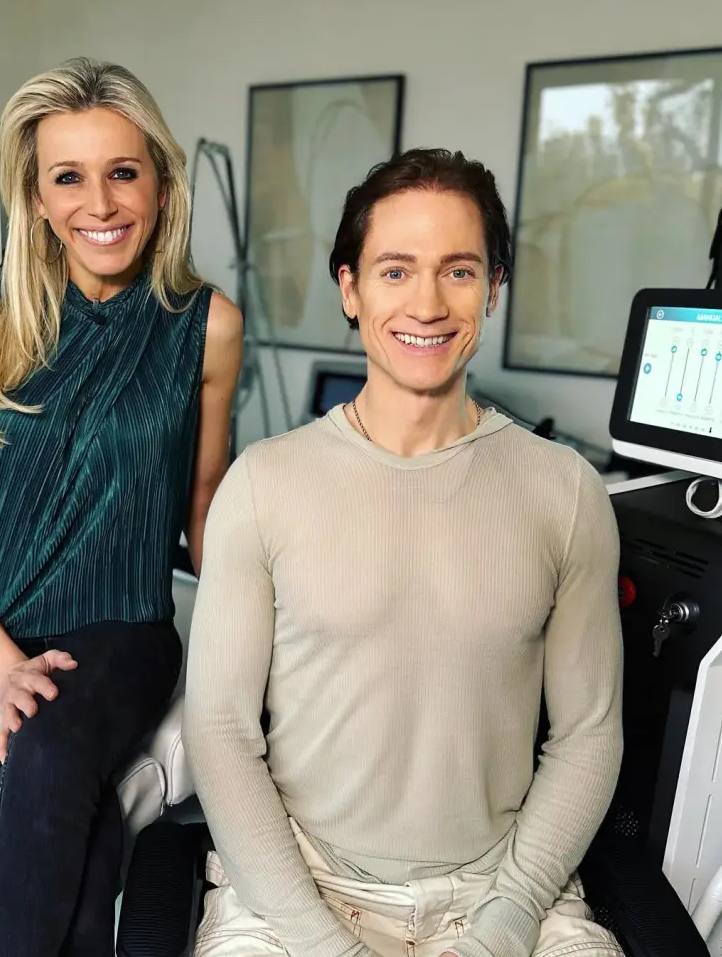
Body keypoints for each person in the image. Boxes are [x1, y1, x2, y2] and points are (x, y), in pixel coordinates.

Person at [183, 148, 624, 957]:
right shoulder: (263, 484)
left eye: (458, 270)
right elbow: (219, 729)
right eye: (395, 270)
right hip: (298, 892)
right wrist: (325, 942)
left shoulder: (565, 492)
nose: (427, 302)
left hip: (504, 891)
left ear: (493, 288)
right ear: (350, 289)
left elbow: (589, 733)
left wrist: (506, 921)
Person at [0, 57, 243, 957]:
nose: (101, 203)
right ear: (37, 198)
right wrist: (2, 663)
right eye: (69, 177)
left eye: (123, 172)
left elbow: (208, 505)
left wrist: (263, 647)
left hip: (120, 630)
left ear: (161, 186)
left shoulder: (206, 324)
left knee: (49, 759)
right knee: (79, 852)